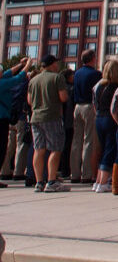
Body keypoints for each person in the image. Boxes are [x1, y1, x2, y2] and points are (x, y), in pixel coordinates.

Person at [28, 54, 70, 193]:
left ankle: (39, 181)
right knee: (55, 149)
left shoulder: (33, 80)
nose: (57, 66)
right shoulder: (57, 78)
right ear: (51, 64)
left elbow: (29, 100)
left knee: (39, 149)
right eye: (56, 63)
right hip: (52, 116)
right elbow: (63, 97)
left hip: (35, 117)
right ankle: (51, 181)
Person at [0, 57, 33, 189]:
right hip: (1, 118)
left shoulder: (2, 79)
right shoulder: (2, 84)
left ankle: (4, 172)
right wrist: (27, 66)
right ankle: (16, 172)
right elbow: (18, 78)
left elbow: (9, 72)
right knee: (2, 148)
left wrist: (20, 64)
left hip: (5, 118)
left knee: (6, 147)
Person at [70, 50, 101, 184]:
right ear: (92, 59)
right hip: (89, 106)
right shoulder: (95, 74)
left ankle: (74, 173)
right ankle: (86, 173)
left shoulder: (76, 73)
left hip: (77, 106)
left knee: (76, 141)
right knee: (88, 140)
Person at [92, 60, 118, 193]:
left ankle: (98, 181)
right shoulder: (116, 87)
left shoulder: (98, 86)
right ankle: (103, 182)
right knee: (110, 150)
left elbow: (94, 104)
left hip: (99, 118)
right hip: (110, 120)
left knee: (103, 149)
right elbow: (115, 108)